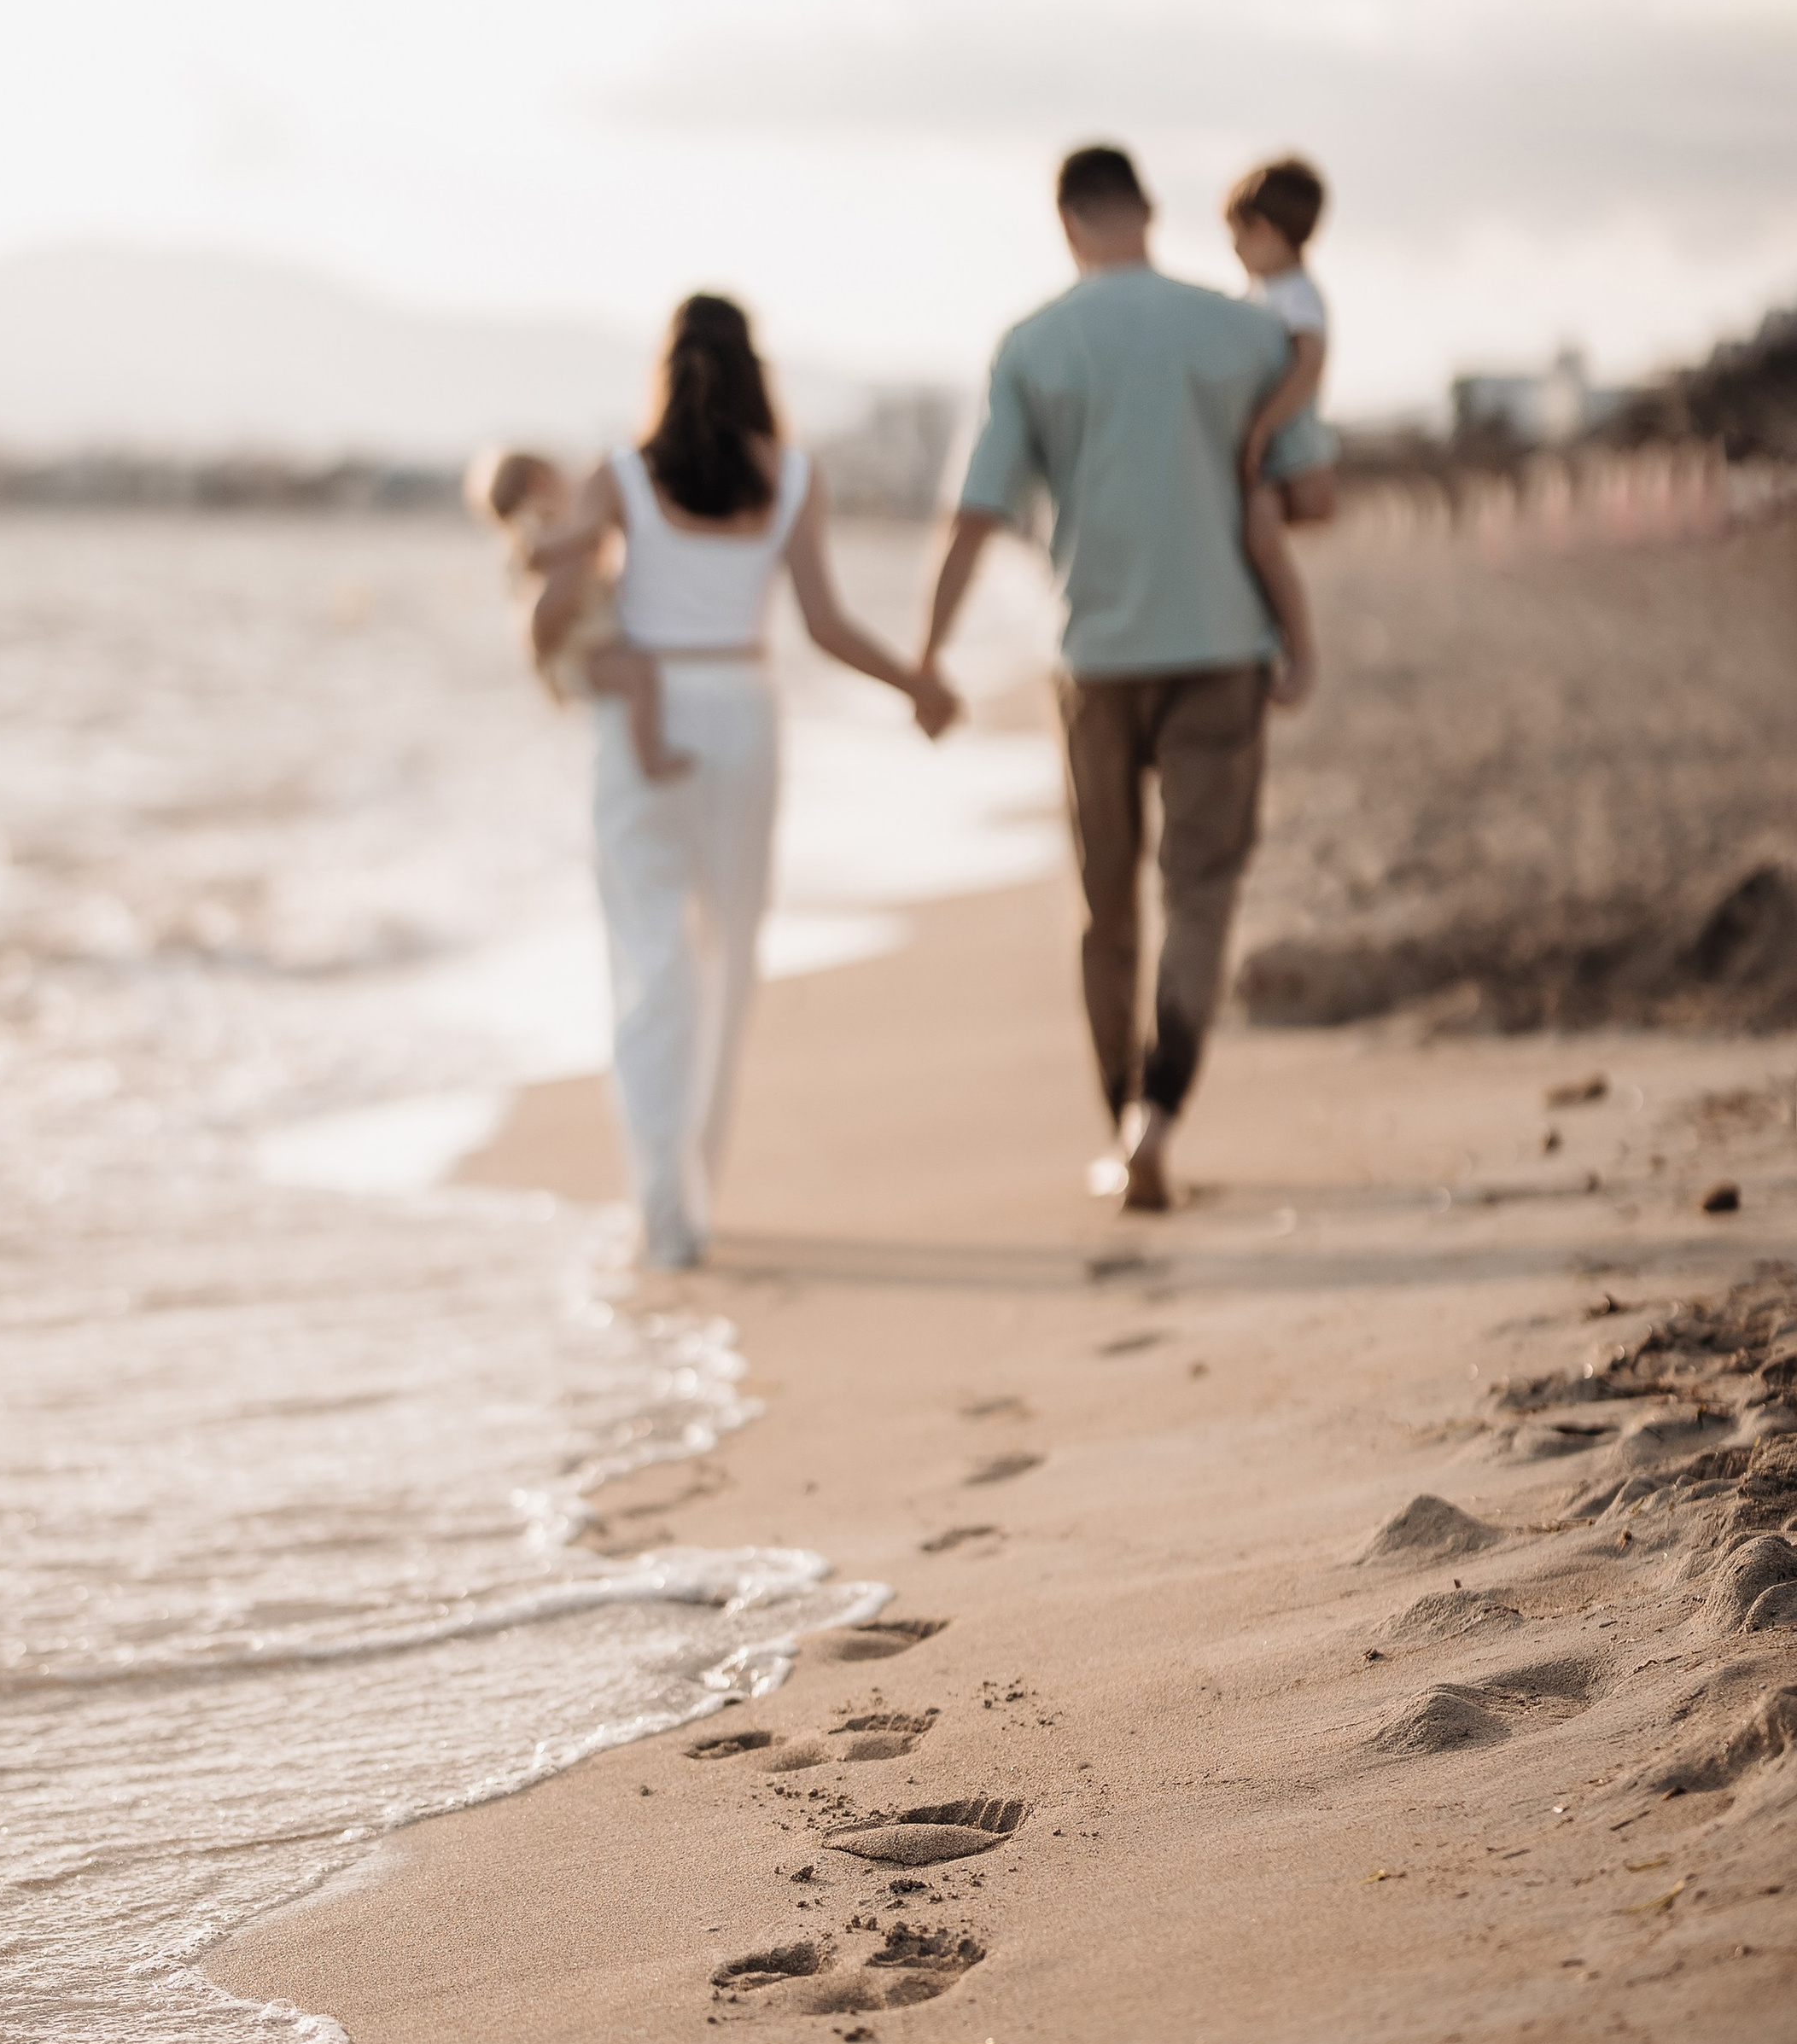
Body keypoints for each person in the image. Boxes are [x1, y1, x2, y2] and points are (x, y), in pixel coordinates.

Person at [918, 143, 1334, 1215]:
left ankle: (1119, 1128)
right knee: (1200, 892)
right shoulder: (1249, 332)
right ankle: (1161, 1117)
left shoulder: (1032, 343)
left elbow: (977, 513)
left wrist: (926, 659)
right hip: (1223, 651)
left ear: (1066, 225)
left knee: (1106, 905)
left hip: (1094, 662)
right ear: (1148, 212)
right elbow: (1312, 493)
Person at [537, 293, 959, 1268]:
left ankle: (659, 1208)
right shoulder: (793, 476)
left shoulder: (621, 475)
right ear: (755, 369)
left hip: (648, 705)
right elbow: (824, 624)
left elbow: (555, 589)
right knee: (727, 954)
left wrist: (542, 577)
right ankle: (695, 1194)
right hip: (742, 709)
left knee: (649, 956)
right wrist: (916, 685)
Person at [470, 445, 691, 783]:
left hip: (578, 650)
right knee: (639, 675)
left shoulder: (540, 535)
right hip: (577, 656)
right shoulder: (548, 529)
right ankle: (651, 759)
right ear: (540, 482)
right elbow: (556, 592)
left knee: (640, 675)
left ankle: (648, 755)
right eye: (566, 476)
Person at [1224, 156, 1333, 708]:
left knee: (1263, 536)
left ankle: (1303, 651)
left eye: (1237, 238)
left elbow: (1310, 362)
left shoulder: (1294, 294)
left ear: (1263, 232)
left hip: (1288, 448)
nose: (1236, 252)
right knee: (1245, 538)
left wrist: (1262, 427)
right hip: (1267, 445)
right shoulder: (1268, 294)